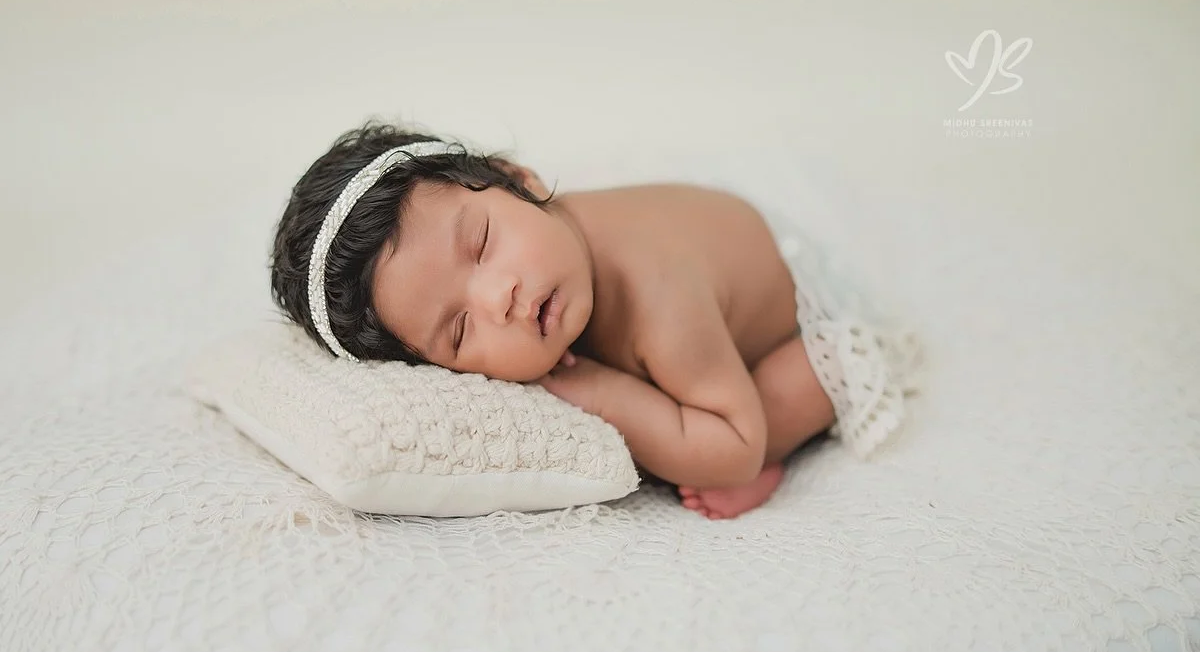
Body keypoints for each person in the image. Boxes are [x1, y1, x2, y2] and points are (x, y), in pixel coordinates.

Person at [271, 122, 918, 519]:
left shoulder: (660, 304)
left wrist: (605, 393)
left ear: (514, 177)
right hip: (718, 264)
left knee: (818, 370)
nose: (500, 297)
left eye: (484, 243)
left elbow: (736, 445)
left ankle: (789, 447)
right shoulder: (549, 250)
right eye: (461, 330)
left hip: (797, 302)